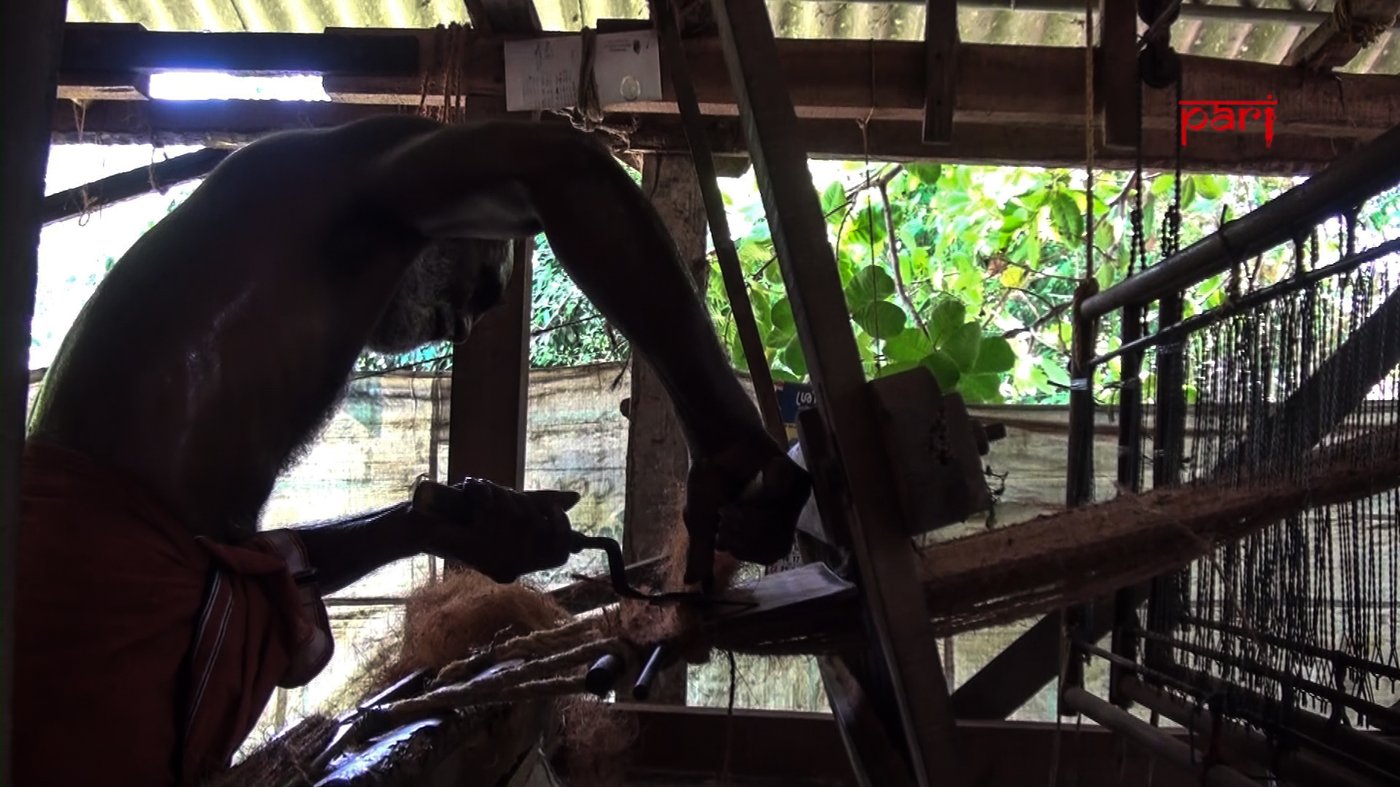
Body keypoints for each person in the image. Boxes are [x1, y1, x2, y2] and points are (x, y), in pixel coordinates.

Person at [16, 115, 811, 787]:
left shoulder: (284, 279)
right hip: (76, 634)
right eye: (486, 285)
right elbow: (562, 165)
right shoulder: (328, 182)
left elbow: (228, 566)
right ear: (457, 194)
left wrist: (424, 526)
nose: (465, 326)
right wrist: (727, 434)